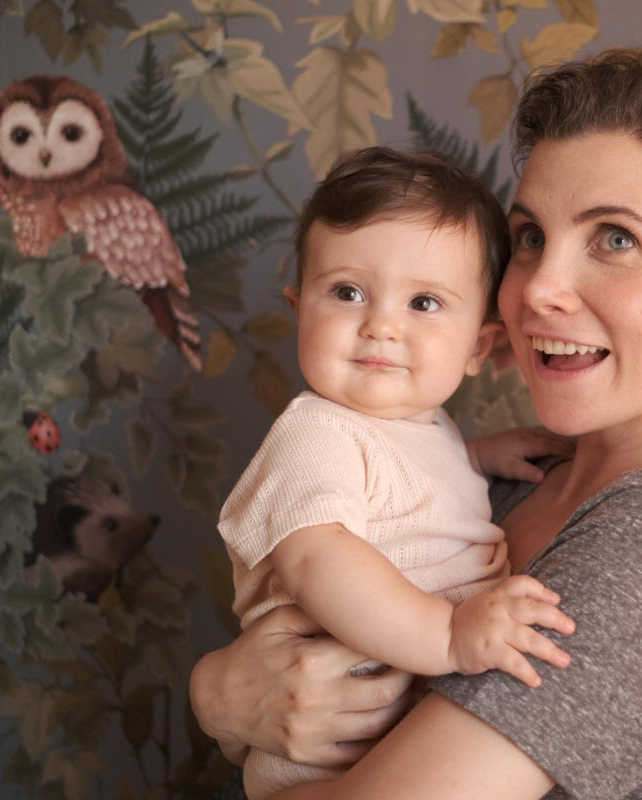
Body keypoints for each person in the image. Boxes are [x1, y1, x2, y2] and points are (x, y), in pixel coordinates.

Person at [191, 46, 642, 799]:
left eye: (615, 238)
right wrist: (220, 694)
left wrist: (222, 703)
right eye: (531, 237)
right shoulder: (508, 480)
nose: (538, 290)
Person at [218, 147, 576, 799]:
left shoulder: (422, 428)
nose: (380, 325)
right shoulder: (314, 433)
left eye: (424, 302)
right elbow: (318, 559)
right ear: (299, 309)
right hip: (325, 765)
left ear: (478, 346)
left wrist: (476, 455)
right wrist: (448, 636)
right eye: (347, 292)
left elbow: (404, 482)